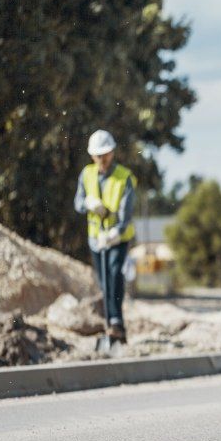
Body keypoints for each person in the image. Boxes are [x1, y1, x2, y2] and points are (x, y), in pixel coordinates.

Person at [73, 129, 137, 344]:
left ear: (112, 152)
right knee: (103, 281)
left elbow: (125, 215)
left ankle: (116, 322)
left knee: (114, 273)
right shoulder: (87, 174)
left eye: (106, 154)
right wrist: (89, 204)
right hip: (95, 238)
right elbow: (78, 203)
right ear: (92, 155)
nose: (103, 159)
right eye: (98, 155)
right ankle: (111, 325)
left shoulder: (124, 178)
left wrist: (113, 234)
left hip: (117, 237)